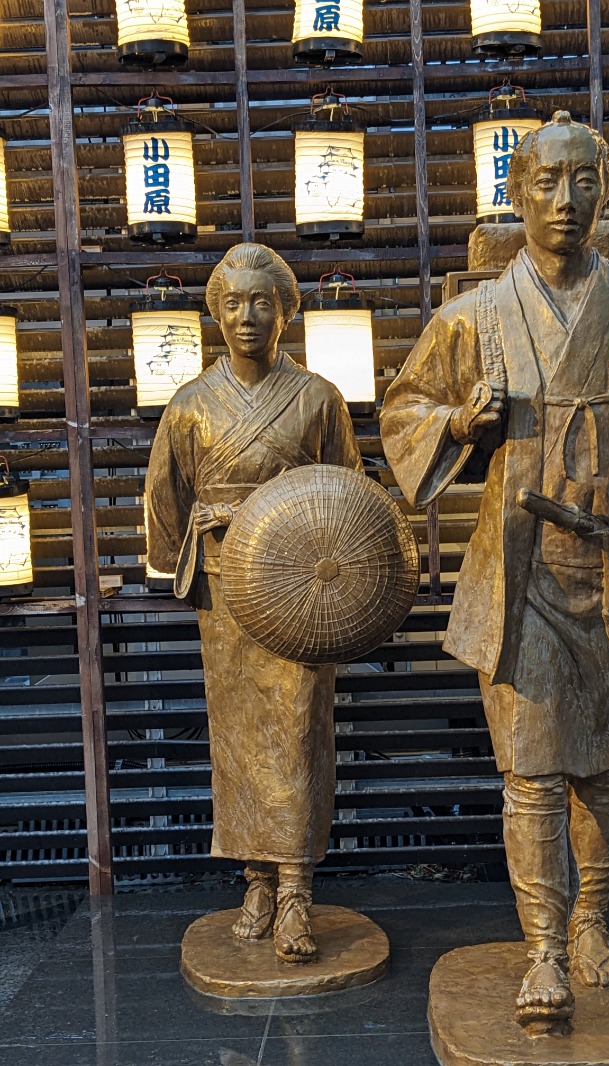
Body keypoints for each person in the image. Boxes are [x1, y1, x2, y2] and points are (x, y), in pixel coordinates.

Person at [380, 112, 609, 1031]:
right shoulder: (473, 318)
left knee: (608, 773)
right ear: (516, 195)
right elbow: (405, 410)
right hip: (522, 579)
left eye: (583, 181)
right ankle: (544, 947)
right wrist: (463, 425)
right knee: (532, 775)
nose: (565, 201)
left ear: (608, 190)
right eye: (546, 183)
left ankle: (593, 921)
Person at [146, 243, 362, 963]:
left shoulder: (319, 399)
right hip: (225, 586)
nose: (247, 316)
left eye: (262, 302)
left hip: (300, 587)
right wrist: (185, 561)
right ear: (214, 314)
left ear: (286, 311)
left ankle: (297, 886)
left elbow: (351, 499)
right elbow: (167, 499)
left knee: (300, 732)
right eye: (233, 303)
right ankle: (256, 879)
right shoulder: (188, 407)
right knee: (238, 737)